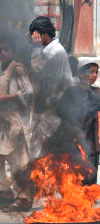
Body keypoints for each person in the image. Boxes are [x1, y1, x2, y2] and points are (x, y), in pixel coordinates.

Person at [0, 34, 34, 209]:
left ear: (12, 50)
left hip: (16, 122)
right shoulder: (0, 70)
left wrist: (2, 99)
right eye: (0, 49)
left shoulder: (17, 68)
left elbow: (28, 92)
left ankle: (24, 198)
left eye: (6, 49)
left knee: (19, 162)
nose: (2, 52)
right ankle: (4, 191)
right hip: (2, 123)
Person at [28, 16, 73, 160]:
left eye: (36, 35)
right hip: (48, 107)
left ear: (43, 34)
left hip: (53, 108)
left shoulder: (55, 52)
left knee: (44, 148)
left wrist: (35, 48)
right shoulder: (49, 49)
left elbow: (37, 69)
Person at [61, 62, 100, 185]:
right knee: (75, 178)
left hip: (91, 142)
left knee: (90, 178)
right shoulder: (71, 92)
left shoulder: (97, 93)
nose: (94, 75)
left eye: (96, 72)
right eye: (91, 72)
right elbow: (62, 113)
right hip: (74, 141)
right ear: (81, 74)